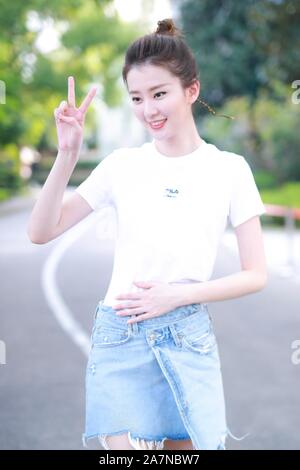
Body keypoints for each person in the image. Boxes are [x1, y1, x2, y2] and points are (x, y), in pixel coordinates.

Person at [27, 18, 268, 451]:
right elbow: (41, 231)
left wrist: (178, 295)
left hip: (187, 334)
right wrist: (66, 155)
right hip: (122, 332)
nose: (148, 110)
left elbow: (256, 274)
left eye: (160, 94)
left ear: (191, 91)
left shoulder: (229, 169)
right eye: (137, 98)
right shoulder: (123, 165)